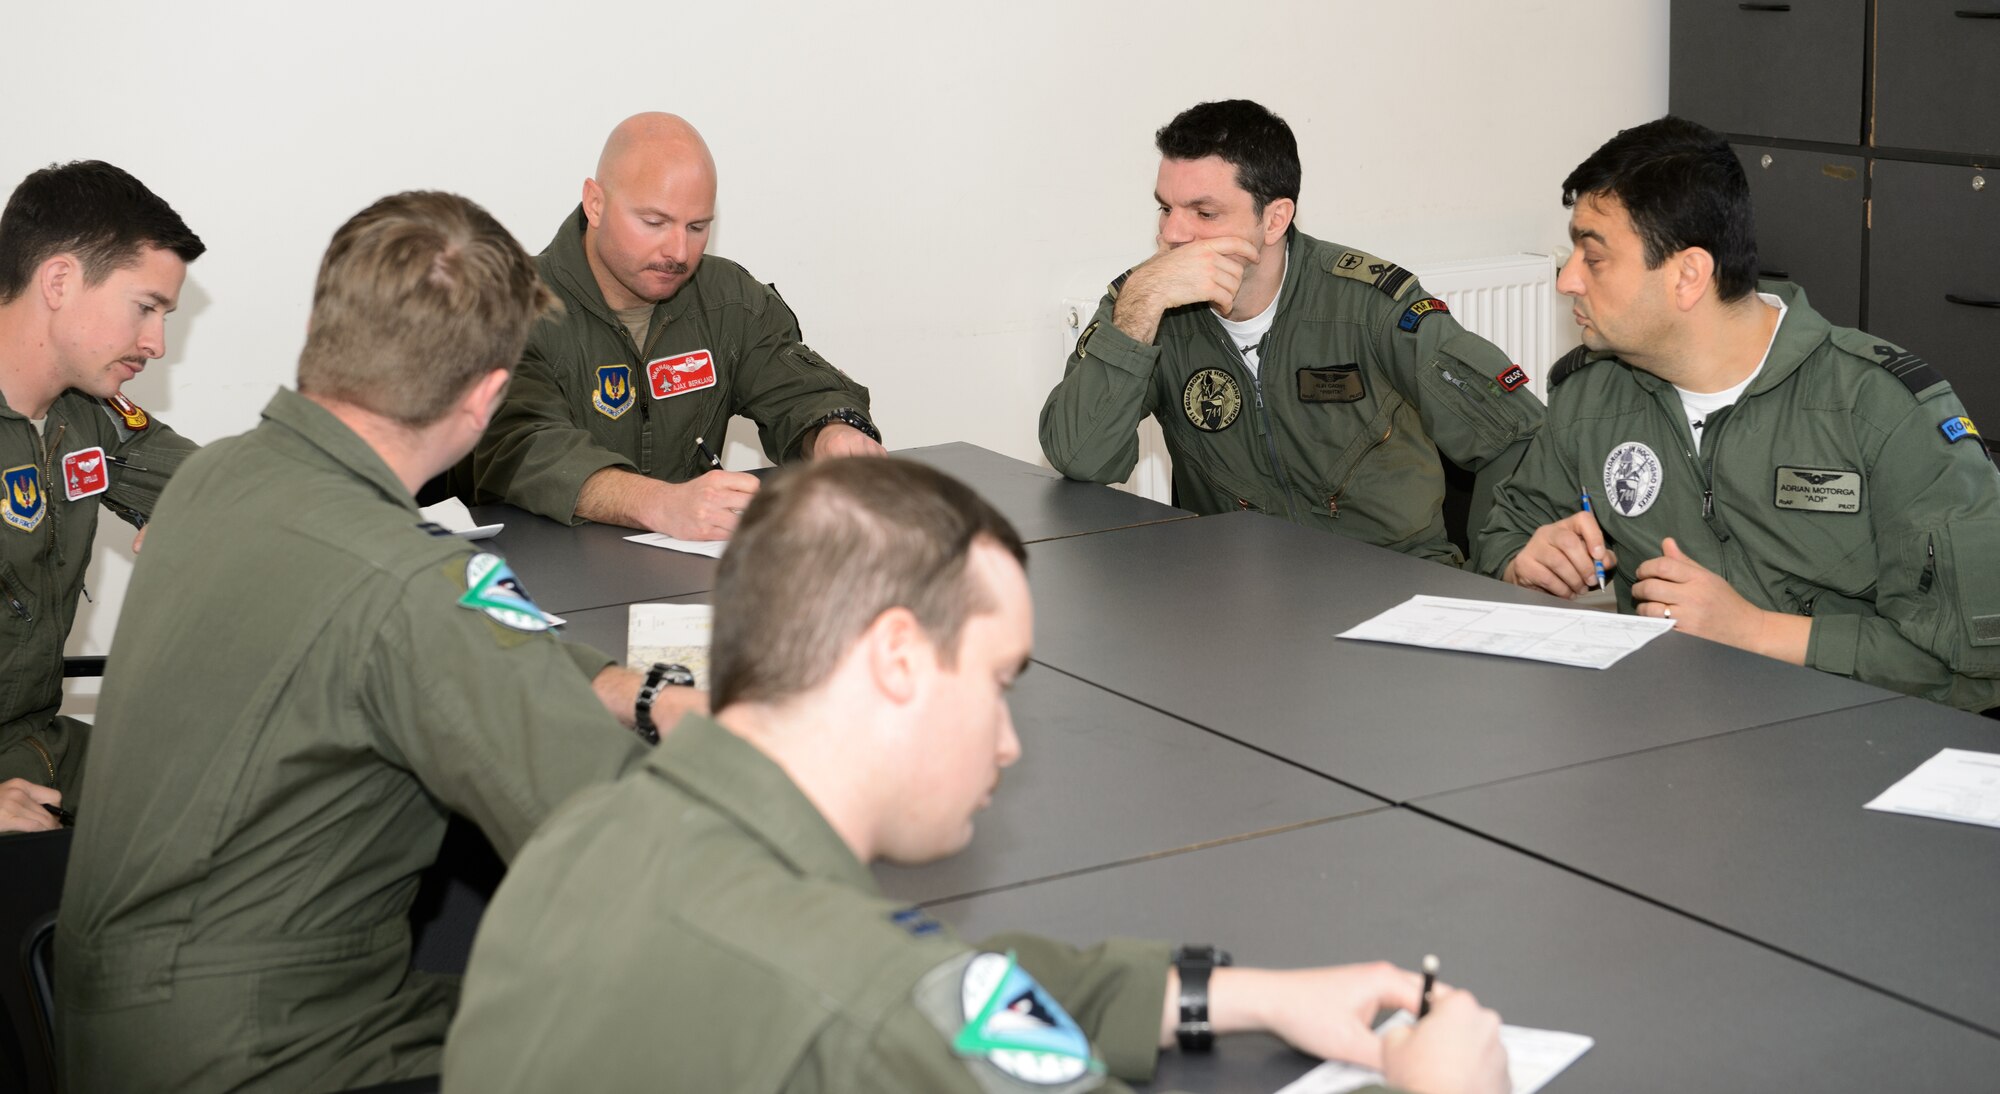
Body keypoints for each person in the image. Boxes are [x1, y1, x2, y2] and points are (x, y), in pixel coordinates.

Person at [442, 459, 1508, 1094]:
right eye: (998, 684)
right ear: (898, 659)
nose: (1008, 742)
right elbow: (898, 995)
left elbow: (946, 973)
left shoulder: (586, 840)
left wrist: (1237, 995)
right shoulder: (867, 1004)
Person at [56, 191, 706, 1092]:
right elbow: (623, 838)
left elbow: (467, 636)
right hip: (273, 1050)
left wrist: (637, 690)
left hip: (117, 1024)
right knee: (671, 1040)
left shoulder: (217, 479)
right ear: (485, 399)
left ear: (323, 334)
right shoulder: (410, 584)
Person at [1478, 116, 2000, 713]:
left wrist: (1755, 631)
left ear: (1688, 275)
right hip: (1657, 725)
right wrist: (1525, 563)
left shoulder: (1882, 410)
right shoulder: (1592, 395)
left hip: (1845, 738)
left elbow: (1975, 663)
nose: (1567, 280)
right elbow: (1503, 534)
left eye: (1593, 257)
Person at [1040, 100, 1543, 566]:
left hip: (1392, 586)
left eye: (1204, 213)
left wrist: (1497, 576)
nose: (1172, 233)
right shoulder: (1148, 303)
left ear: (1275, 219)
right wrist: (1139, 310)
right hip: (1239, 593)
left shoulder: (1370, 307)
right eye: (1166, 208)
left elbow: (1518, 436)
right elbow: (1080, 458)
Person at [455, 111, 884, 540]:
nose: (679, 252)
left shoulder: (729, 300)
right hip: (546, 564)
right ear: (595, 203)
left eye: (697, 227)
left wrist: (831, 431)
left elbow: (799, 389)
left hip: (687, 566)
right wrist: (658, 504)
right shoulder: (510, 306)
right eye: (655, 223)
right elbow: (523, 445)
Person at [0, 160, 204, 834]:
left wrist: (206, 513)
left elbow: (220, 484)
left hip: (36, 743)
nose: (156, 344)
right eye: (145, 307)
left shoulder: (85, 415)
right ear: (59, 281)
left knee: (249, 791)